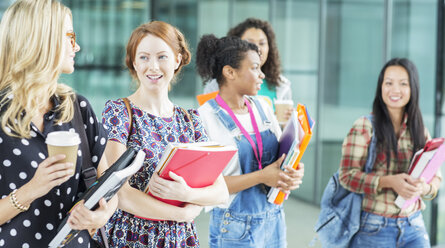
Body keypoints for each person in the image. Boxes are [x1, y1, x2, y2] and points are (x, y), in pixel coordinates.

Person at [100, 21, 229, 247]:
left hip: (179, 239)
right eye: (143, 57)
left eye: (162, 57)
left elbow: (220, 192)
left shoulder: (190, 120)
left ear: (177, 60)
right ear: (133, 61)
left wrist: (186, 194)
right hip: (131, 238)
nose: (153, 67)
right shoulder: (119, 112)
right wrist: (179, 214)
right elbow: (120, 193)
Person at [0, 0, 117, 247]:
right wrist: (32, 189)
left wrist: (101, 215)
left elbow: (105, 184)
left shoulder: (78, 108)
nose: (77, 46)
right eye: (70, 36)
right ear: (44, 39)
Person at [196, 34, 305, 247]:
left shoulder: (262, 106)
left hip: (274, 219)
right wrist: (262, 176)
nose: (262, 75)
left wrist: (292, 170)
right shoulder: (204, 117)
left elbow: (279, 157)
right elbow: (208, 186)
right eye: (255, 68)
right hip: (234, 227)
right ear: (230, 72)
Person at [339, 58, 442, 247]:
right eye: (389, 83)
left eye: (403, 84)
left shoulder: (419, 129)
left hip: (414, 226)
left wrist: (423, 188)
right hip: (374, 227)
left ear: (413, 88)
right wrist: (388, 182)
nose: (395, 90)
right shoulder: (364, 126)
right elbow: (346, 176)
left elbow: (436, 178)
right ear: (380, 87)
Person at [203, 18, 293, 119]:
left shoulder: (282, 85)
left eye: (262, 43)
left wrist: (290, 124)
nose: (257, 48)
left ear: (269, 47)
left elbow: (283, 130)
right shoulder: (217, 85)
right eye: (249, 43)